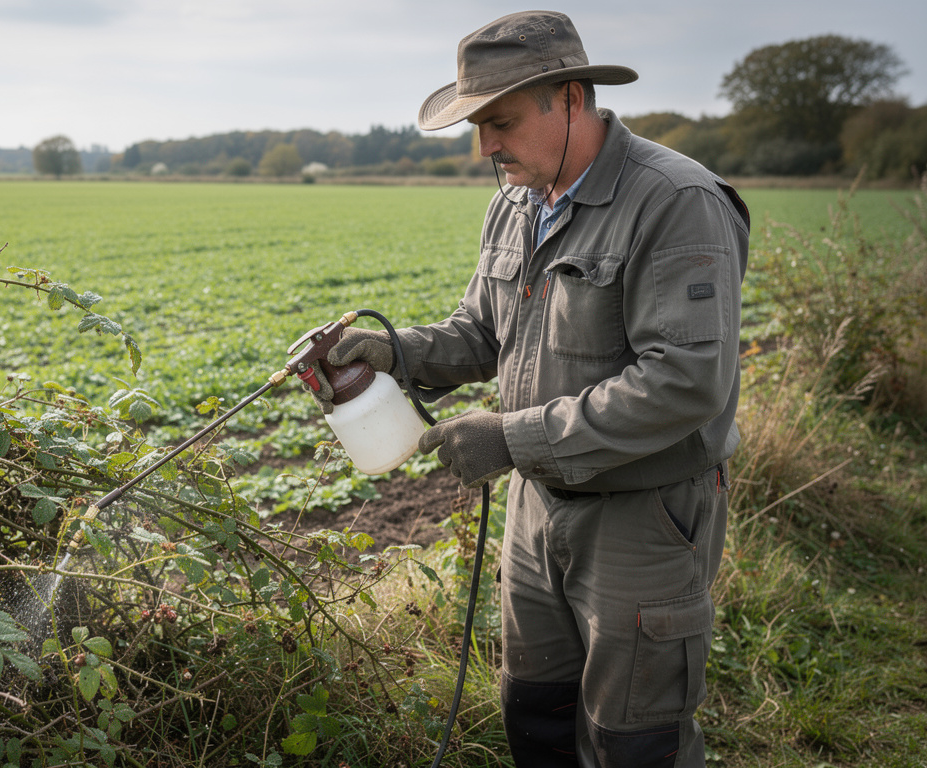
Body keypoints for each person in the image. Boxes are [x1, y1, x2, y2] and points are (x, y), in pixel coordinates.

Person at [302, 10, 749, 767]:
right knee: (534, 712)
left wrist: (510, 437)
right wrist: (390, 353)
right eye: (478, 127)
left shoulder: (676, 201)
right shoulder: (516, 204)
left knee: (633, 739)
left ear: (570, 98)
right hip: (536, 508)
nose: (485, 148)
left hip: (643, 519)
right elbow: (482, 332)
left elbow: (685, 383)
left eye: (500, 122)